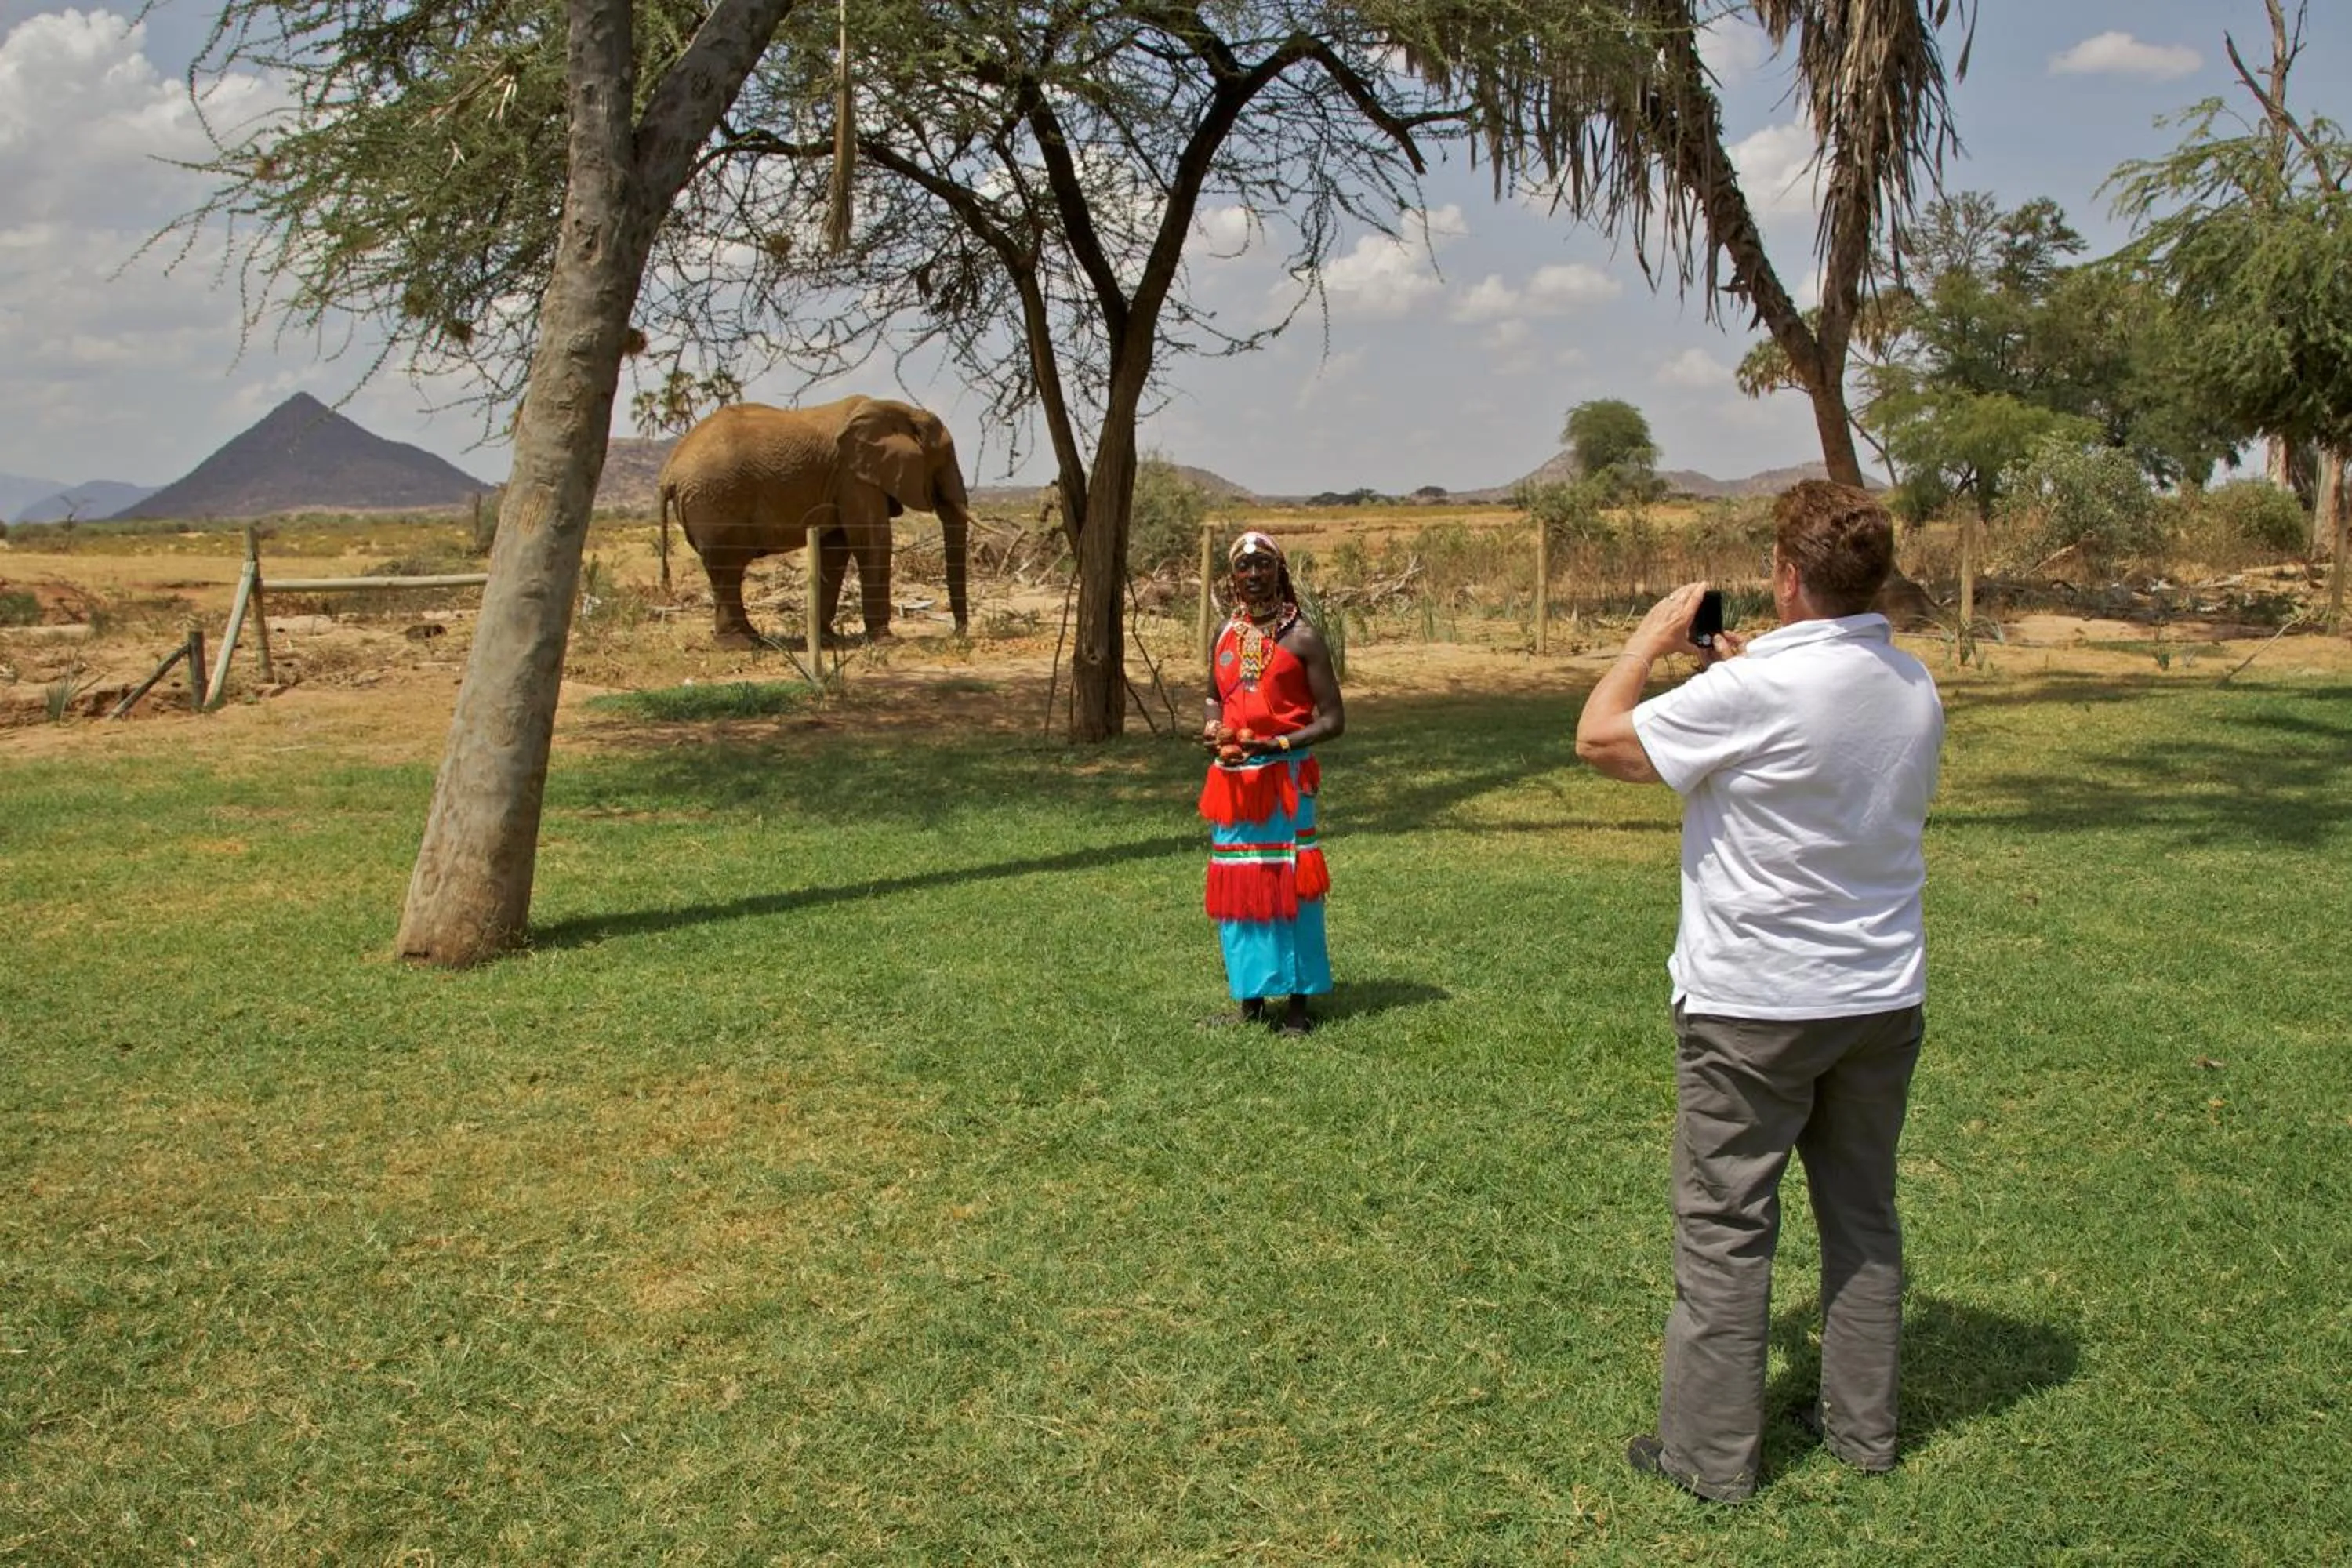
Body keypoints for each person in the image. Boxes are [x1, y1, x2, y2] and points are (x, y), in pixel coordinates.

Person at [1574, 481, 1945, 1503]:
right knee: (1863, 1215)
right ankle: (1863, 1429)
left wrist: (1649, 643)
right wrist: (1736, 675)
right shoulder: (1912, 684)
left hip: (1754, 1005)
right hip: (1879, 996)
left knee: (1727, 1225)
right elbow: (1822, 747)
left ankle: (1708, 1455)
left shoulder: (1756, 692)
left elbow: (1601, 738)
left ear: (1786, 577)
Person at [1199, 530, 1346, 1036]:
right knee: (1239, 886)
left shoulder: (1303, 637)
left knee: (1290, 884)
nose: (1254, 574)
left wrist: (1278, 744)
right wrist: (1213, 727)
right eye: (1244, 567)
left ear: (1279, 572)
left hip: (1286, 779)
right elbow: (1214, 696)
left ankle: (1299, 1009)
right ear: (1233, 576)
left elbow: (1333, 721)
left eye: (1263, 565)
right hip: (1233, 784)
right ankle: (1251, 1001)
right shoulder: (1226, 632)